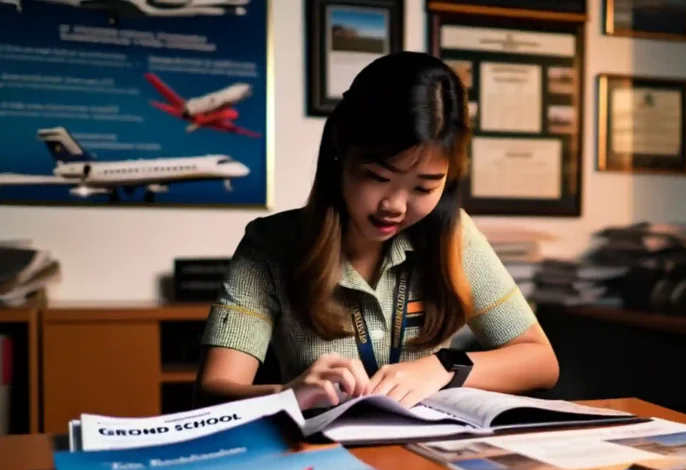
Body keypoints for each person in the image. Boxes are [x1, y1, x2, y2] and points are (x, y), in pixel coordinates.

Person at [193, 52, 559, 411]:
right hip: (319, 454)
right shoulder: (270, 245)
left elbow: (541, 361)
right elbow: (213, 393)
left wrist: (444, 367)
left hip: (427, 455)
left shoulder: (455, 236)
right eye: (378, 177)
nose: (395, 205)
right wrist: (289, 394)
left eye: (424, 188)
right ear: (340, 153)